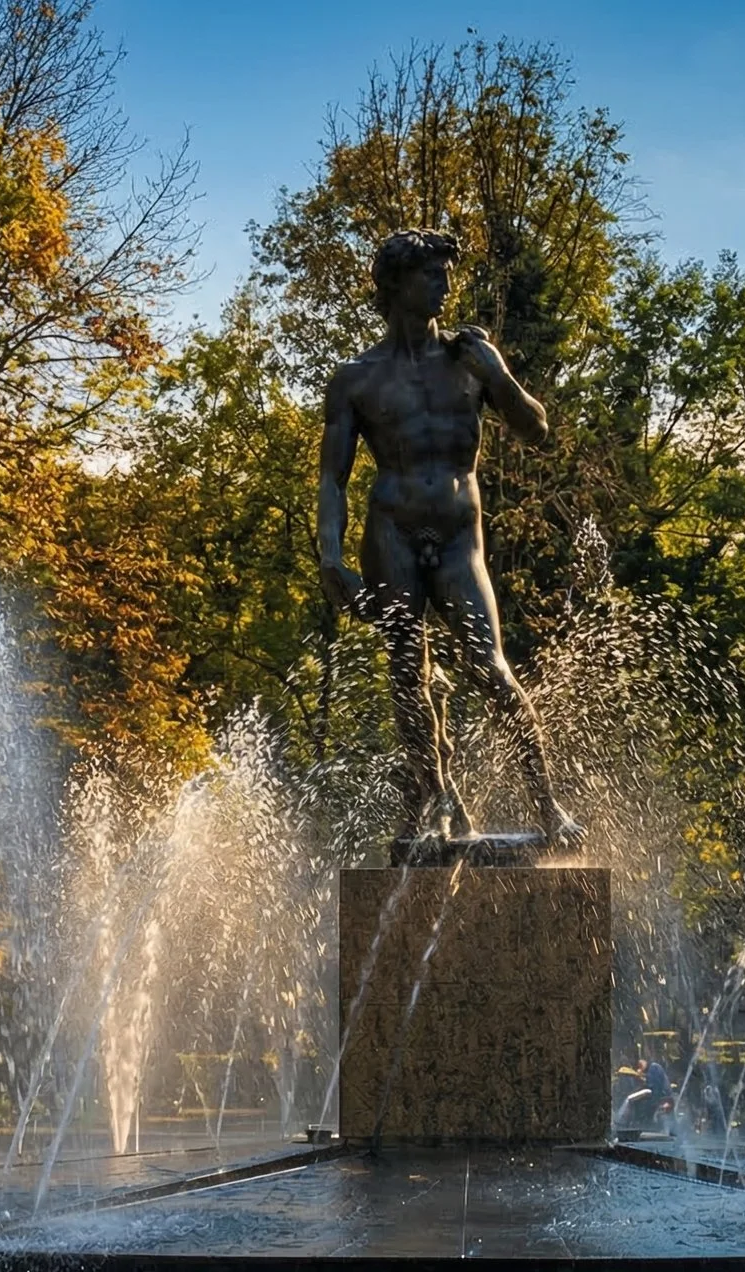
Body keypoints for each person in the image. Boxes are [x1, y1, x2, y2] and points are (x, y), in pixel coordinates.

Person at [315, 228, 582, 853]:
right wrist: (329, 552)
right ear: (395, 285)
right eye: (431, 274)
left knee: (491, 668)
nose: (445, 284)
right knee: (408, 671)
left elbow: (537, 430)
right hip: (392, 531)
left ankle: (549, 806)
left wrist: (501, 375)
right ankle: (427, 802)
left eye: (446, 273)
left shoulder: (471, 361)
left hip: (461, 533)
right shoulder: (356, 378)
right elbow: (332, 476)